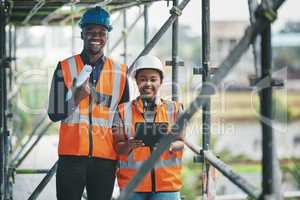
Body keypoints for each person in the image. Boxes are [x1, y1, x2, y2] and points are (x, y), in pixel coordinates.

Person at [47, 6, 129, 200]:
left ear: (107, 36)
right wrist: (76, 97)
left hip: (105, 160)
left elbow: (123, 118)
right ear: (82, 33)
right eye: (91, 31)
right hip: (71, 158)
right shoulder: (65, 67)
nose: (96, 36)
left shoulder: (120, 72)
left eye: (102, 32)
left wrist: (122, 154)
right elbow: (53, 113)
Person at [112, 55, 184, 200]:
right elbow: (118, 147)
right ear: (137, 82)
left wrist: (168, 146)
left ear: (161, 81)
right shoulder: (122, 111)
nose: (148, 84)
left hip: (166, 186)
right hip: (132, 186)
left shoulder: (174, 109)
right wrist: (128, 145)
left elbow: (181, 143)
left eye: (153, 79)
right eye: (143, 79)